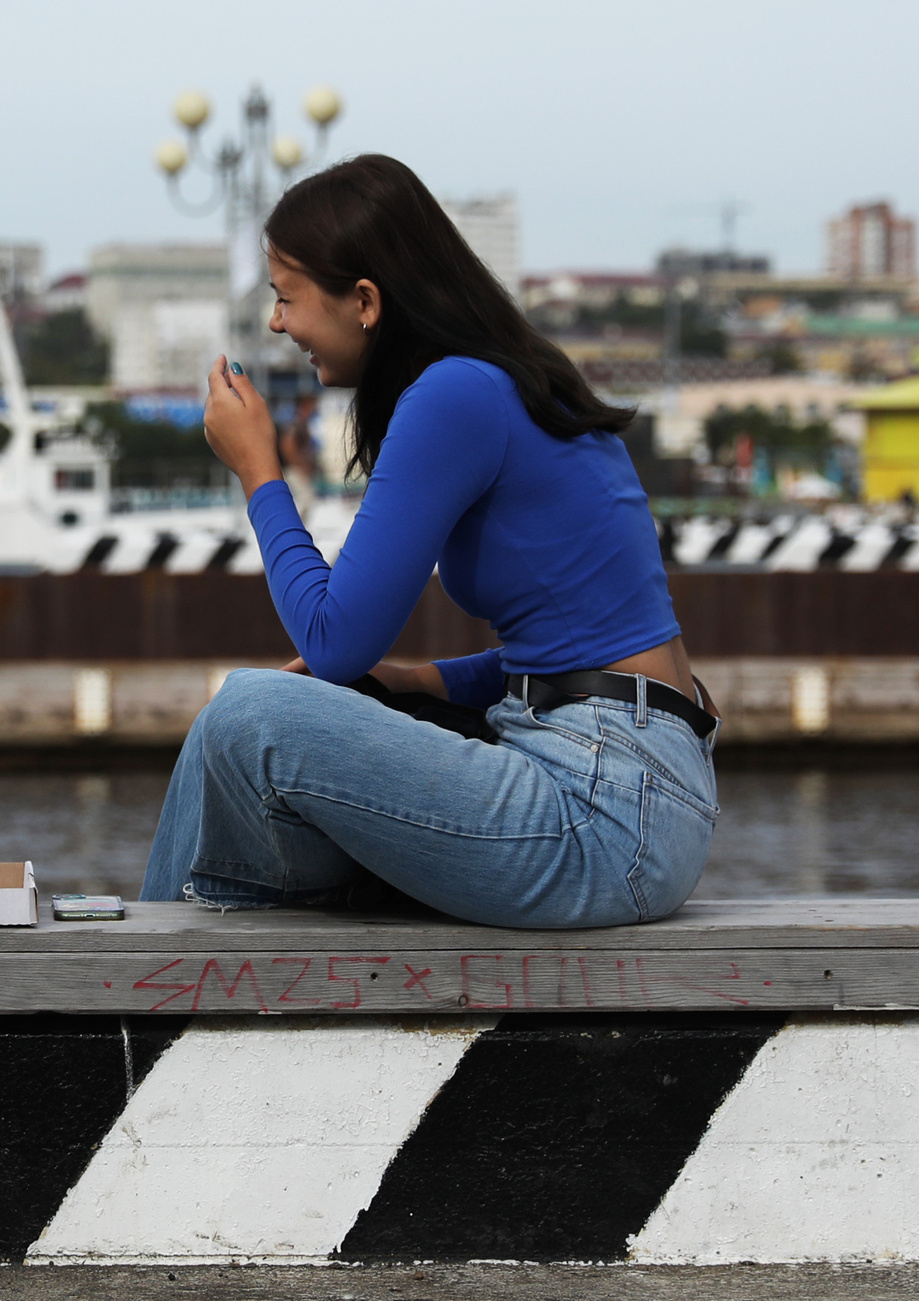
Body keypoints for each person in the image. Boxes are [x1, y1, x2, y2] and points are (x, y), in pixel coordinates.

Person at [140, 155, 719, 929]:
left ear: (366, 301)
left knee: (249, 713)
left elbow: (334, 639)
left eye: (286, 298)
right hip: (631, 784)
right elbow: (571, 650)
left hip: (607, 810)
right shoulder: (512, 382)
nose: (277, 323)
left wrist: (258, 471)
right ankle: (181, 968)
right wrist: (416, 680)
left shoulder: (457, 394)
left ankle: (144, 967)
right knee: (271, 783)